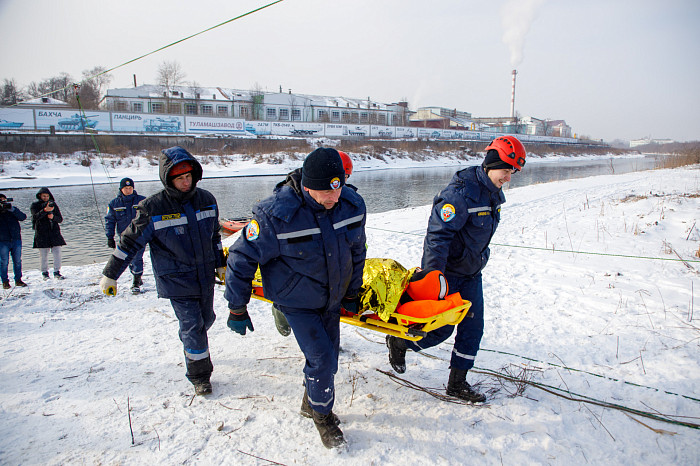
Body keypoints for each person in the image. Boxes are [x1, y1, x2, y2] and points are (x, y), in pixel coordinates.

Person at [224, 147, 366, 449]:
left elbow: (357, 250)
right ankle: (322, 417)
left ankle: (310, 402)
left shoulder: (350, 205)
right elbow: (240, 258)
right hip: (296, 301)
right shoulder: (275, 215)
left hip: (331, 297)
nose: (334, 198)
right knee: (322, 358)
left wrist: (353, 291)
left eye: (338, 188)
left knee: (328, 361)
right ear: (306, 186)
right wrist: (237, 306)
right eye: (326, 192)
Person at [385, 135, 527, 403]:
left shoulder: (491, 191)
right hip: (447, 276)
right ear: (490, 165)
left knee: (473, 329)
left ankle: (457, 384)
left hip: (472, 273)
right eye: (506, 171)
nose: (508, 178)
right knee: (440, 331)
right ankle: (400, 343)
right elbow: (437, 238)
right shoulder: (460, 195)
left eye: (512, 173)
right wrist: (432, 280)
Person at [99, 146, 227, 396]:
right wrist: (111, 274)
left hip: (204, 278)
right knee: (193, 327)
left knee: (205, 320)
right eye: (179, 178)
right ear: (168, 178)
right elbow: (129, 243)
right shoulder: (153, 207)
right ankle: (200, 376)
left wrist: (220, 263)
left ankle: (193, 342)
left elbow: (214, 236)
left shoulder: (207, 199)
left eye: (189, 176)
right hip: (176, 279)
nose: (185, 182)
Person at [268, 149, 356, 337]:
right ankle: (280, 309)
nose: (343, 183)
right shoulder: (291, 200)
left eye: (346, 178)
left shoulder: (344, 197)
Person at [104, 177, 147, 293]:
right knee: (127, 258)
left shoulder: (142, 201)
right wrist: (109, 237)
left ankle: (136, 282)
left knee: (137, 257)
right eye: (126, 188)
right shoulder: (114, 204)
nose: (128, 190)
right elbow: (109, 221)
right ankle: (136, 274)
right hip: (124, 237)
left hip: (140, 236)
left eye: (130, 188)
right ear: (121, 189)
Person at [30, 187, 67, 280]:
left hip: (54, 233)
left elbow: (60, 219)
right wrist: (44, 211)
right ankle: (45, 273)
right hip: (42, 233)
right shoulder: (35, 205)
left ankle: (57, 272)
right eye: (44, 196)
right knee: (43, 255)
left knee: (57, 253)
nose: (46, 198)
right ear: (40, 196)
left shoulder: (53, 205)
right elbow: (35, 217)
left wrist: (53, 217)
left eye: (47, 196)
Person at [0, 193, 27, 288]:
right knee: (4, 261)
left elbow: (23, 217)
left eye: (4, 200)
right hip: (2, 241)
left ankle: (18, 280)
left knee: (17, 261)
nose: (3, 203)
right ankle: (5, 282)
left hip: (16, 239)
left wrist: (12, 210)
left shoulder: (12, 209)